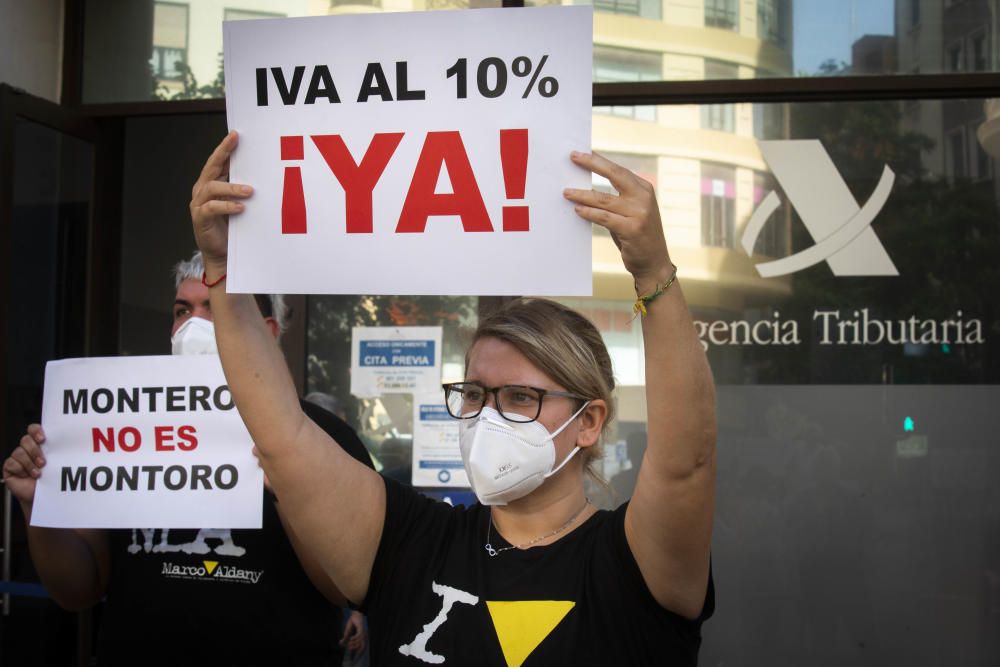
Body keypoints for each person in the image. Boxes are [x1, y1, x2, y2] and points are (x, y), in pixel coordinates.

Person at [188, 131, 716, 665]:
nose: (487, 415)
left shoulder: (634, 561)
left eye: (518, 396)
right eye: (472, 394)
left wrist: (653, 273)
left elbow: (685, 464)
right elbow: (284, 436)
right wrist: (223, 273)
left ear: (589, 421)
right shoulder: (409, 541)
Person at [3, 251, 373, 665]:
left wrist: (288, 486)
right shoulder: (117, 425)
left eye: (215, 309)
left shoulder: (326, 436)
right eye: (182, 311)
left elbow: (345, 587)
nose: (192, 325)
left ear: (266, 330)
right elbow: (78, 591)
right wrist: (38, 503)